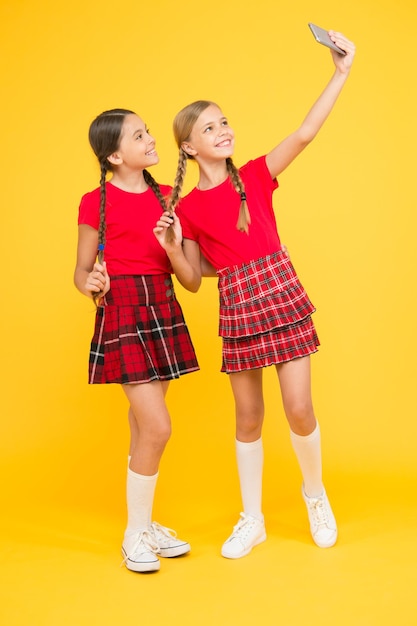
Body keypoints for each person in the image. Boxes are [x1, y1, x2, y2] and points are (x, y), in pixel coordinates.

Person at [154, 30, 355, 558]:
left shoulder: (258, 175)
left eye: (224, 121)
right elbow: (194, 280)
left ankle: (315, 497)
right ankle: (253, 518)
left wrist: (339, 73)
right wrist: (174, 247)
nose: (223, 131)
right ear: (189, 146)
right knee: (248, 417)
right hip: (239, 303)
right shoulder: (188, 209)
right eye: (209, 127)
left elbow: (306, 132)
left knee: (300, 406)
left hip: (279, 291)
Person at [74, 108, 199, 573]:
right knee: (158, 427)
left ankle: (143, 525)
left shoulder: (169, 197)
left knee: (143, 427)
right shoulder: (94, 201)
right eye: (139, 135)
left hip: (162, 306)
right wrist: (92, 284)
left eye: (148, 132)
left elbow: (190, 279)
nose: (150, 139)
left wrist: (172, 246)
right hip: (122, 309)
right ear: (114, 154)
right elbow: (81, 270)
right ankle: (134, 535)